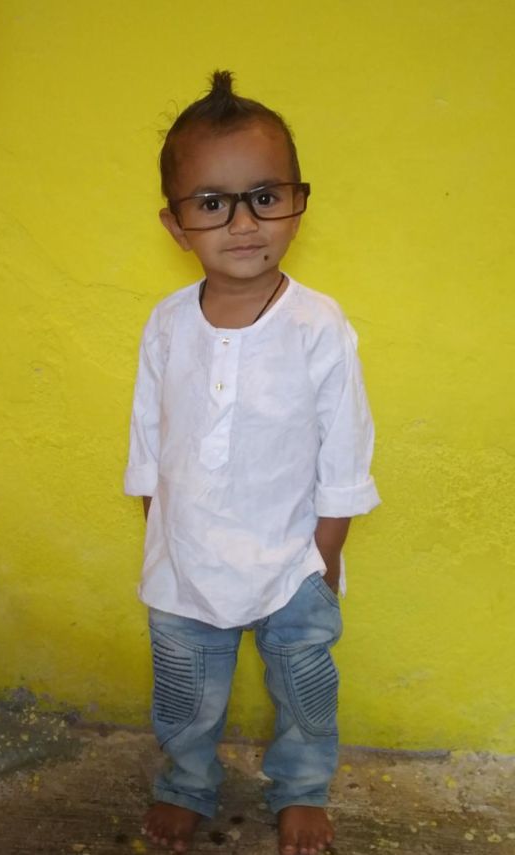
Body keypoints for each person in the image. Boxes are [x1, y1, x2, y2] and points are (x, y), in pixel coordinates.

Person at [125, 70, 380, 855]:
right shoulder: (167, 324)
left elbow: (346, 448)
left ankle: (301, 785)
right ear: (176, 224)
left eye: (265, 197)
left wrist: (321, 561)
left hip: (291, 562)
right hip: (185, 561)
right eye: (212, 203)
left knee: (304, 691)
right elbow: (149, 437)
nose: (243, 223)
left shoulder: (318, 326)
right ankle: (185, 782)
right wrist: (161, 535)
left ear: (298, 202)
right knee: (185, 695)